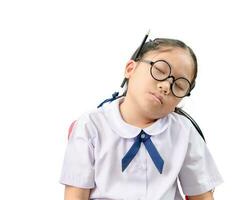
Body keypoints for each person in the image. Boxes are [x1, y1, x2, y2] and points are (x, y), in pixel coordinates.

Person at [59, 36, 223, 200]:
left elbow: (201, 195)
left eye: (179, 86)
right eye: (159, 70)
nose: (166, 86)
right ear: (130, 69)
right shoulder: (90, 126)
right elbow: (76, 195)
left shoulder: (184, 132)